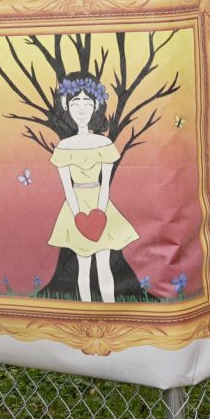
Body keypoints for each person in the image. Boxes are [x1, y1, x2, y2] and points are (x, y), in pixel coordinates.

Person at [46, 74, 140, 302]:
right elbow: (67, 187)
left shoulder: (104, 144)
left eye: (86, 104)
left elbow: (105, 184)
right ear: (66, 106)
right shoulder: (64, 147)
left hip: (101, 205)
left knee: (104, 264)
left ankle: (109, 307)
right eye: (75, 104)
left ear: (96, 106)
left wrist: (100, 211)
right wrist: (77, 213)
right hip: (75, 208)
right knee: (83, 267)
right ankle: (86, 311)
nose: (80, 110)